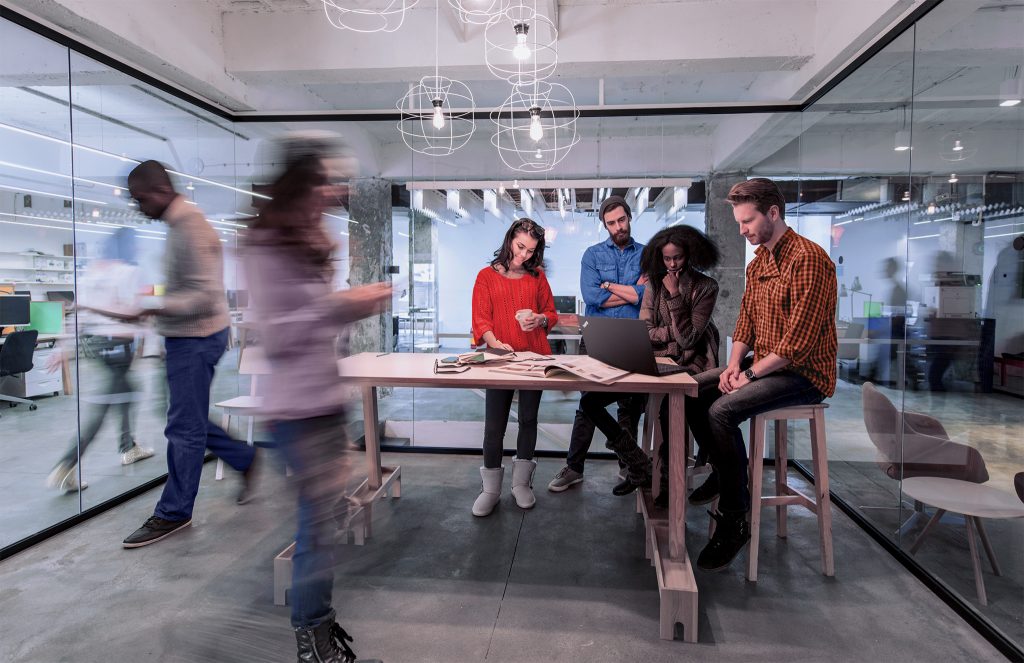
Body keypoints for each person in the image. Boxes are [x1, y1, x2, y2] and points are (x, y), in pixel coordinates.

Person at [245, 152, 391, 663]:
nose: (328, 199)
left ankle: (318, 625)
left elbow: (314, 330)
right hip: (298, 414)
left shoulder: (302, 246)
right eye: (321, 189)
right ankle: (311, 636)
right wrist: (344, 305)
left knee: (325, 523)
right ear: (296, 191)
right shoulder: (263, 248)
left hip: (323, 405)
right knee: (317, 529)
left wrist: (343, 303)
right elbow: (280, 336)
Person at [686, 178, 837, 572]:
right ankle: (724, 469)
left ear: (773, 213)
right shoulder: (759, 263)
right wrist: (735, 363)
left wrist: (749, 375)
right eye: (739, 222)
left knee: (721, 411)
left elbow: (796, 345)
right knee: (687, 389)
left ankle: (736, 519)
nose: (742, 230)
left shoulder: (809, 259)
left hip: (805, 373)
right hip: (765, 364)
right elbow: (747, 321)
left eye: (748, 221)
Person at [122, 160, 257, 549]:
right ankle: (245, 459)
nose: (138, 207)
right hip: (187, 337)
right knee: (187, 419)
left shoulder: (190, 227)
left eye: (141, 198)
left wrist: (153, 306)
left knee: (183, 427)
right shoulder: (179, 224)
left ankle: (174, 511)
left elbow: (202, 294)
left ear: (161, 191)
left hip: (196, 337)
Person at [547, 195, 647, 493]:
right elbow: (592, 298)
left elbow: (647, 296)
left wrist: (612, 289)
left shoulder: (646, 255)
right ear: (605, 225)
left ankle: (630, 466)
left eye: (622, 220)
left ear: (630, 218)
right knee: (587, 405)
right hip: (598, 336)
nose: (618, 226)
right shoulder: (592, 255)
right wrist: (632, 291)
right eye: (612, 223)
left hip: (633, 336)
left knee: (629, 406)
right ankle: (574, 467)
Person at [47, 228, 154, 493]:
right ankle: (66, 464)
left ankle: (128, 447)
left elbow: (77, 314)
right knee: (104, 406)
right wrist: (149, 338)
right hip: (118, 346)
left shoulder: (92, 272)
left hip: (95, 344)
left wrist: (63, 347)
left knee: (128, 390)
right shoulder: (129, 272)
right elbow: (135, 313)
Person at [471, 217, 557, 517]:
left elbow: (551, 313)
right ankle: (490, 490)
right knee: (494, 426)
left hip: (533, 357)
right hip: (499, 359)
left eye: (531, 251)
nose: (523, 255)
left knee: (528, 420)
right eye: (520, 247)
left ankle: (522, 484)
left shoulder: (537, 277)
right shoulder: (486, 276)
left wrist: (539, 319)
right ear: (509, 239)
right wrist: (496, 342)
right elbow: (481, 319)